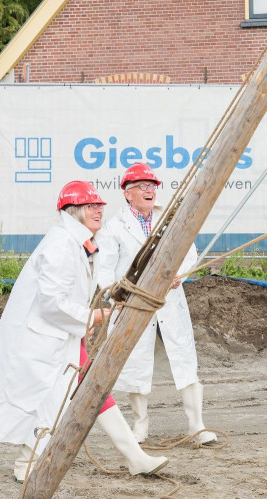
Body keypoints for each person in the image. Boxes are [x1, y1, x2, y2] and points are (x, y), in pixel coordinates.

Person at [0, 181, 168, 483]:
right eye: (90, 205)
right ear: (72, 210)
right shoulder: (61, 244)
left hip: (60, 336)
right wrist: (92, 316)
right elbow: (52, 302)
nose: (98, 210)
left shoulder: (78, 242)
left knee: (94, 388)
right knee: (48, 398)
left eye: (99, 205)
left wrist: (101, 309)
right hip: (41, 339)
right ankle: (25, 463)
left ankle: (136, 458)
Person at [96, 163, 215, 445]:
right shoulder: (113, 228)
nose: (149, 191)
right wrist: (114, 295)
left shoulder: (170, 219)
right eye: (142, 186)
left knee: (185, 362)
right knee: (135, 366)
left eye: (152, 186)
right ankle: (140, 426)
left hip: (169, 303)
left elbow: (189, 251)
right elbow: (104, 271)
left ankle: (196, 426)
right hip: (134, 306)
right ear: (128, 194)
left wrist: (180, 276)